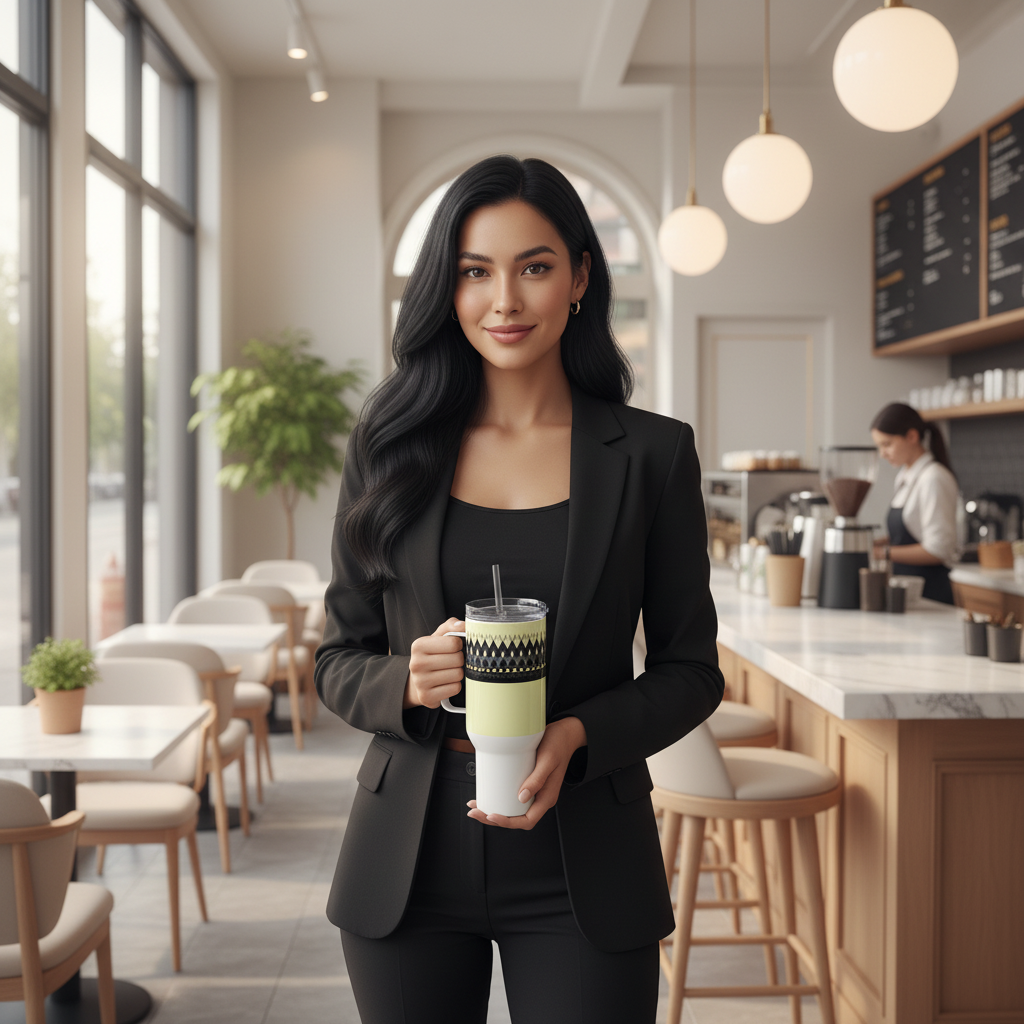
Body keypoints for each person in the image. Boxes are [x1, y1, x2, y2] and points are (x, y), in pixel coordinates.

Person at [314, 155, 723, 1024]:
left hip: (587, 857)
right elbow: (337, 658)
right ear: (447, 287)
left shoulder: (653, 455)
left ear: (580, 277)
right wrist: (405, 681)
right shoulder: (388, 447)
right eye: (475, 271)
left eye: (534, 267)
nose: (504, 300)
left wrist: (579, 733)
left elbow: (692, 671)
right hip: (408, 859)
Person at [870, 402, 958, 604]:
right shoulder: (905, 475)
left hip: (931, 595)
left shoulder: (934, 478)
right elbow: (909, 532)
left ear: (911, 436)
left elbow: (938, 549)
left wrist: (882, 553)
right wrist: (874, 542)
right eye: (879, 446)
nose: (882, 453)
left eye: (887, 444)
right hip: (908, 592)